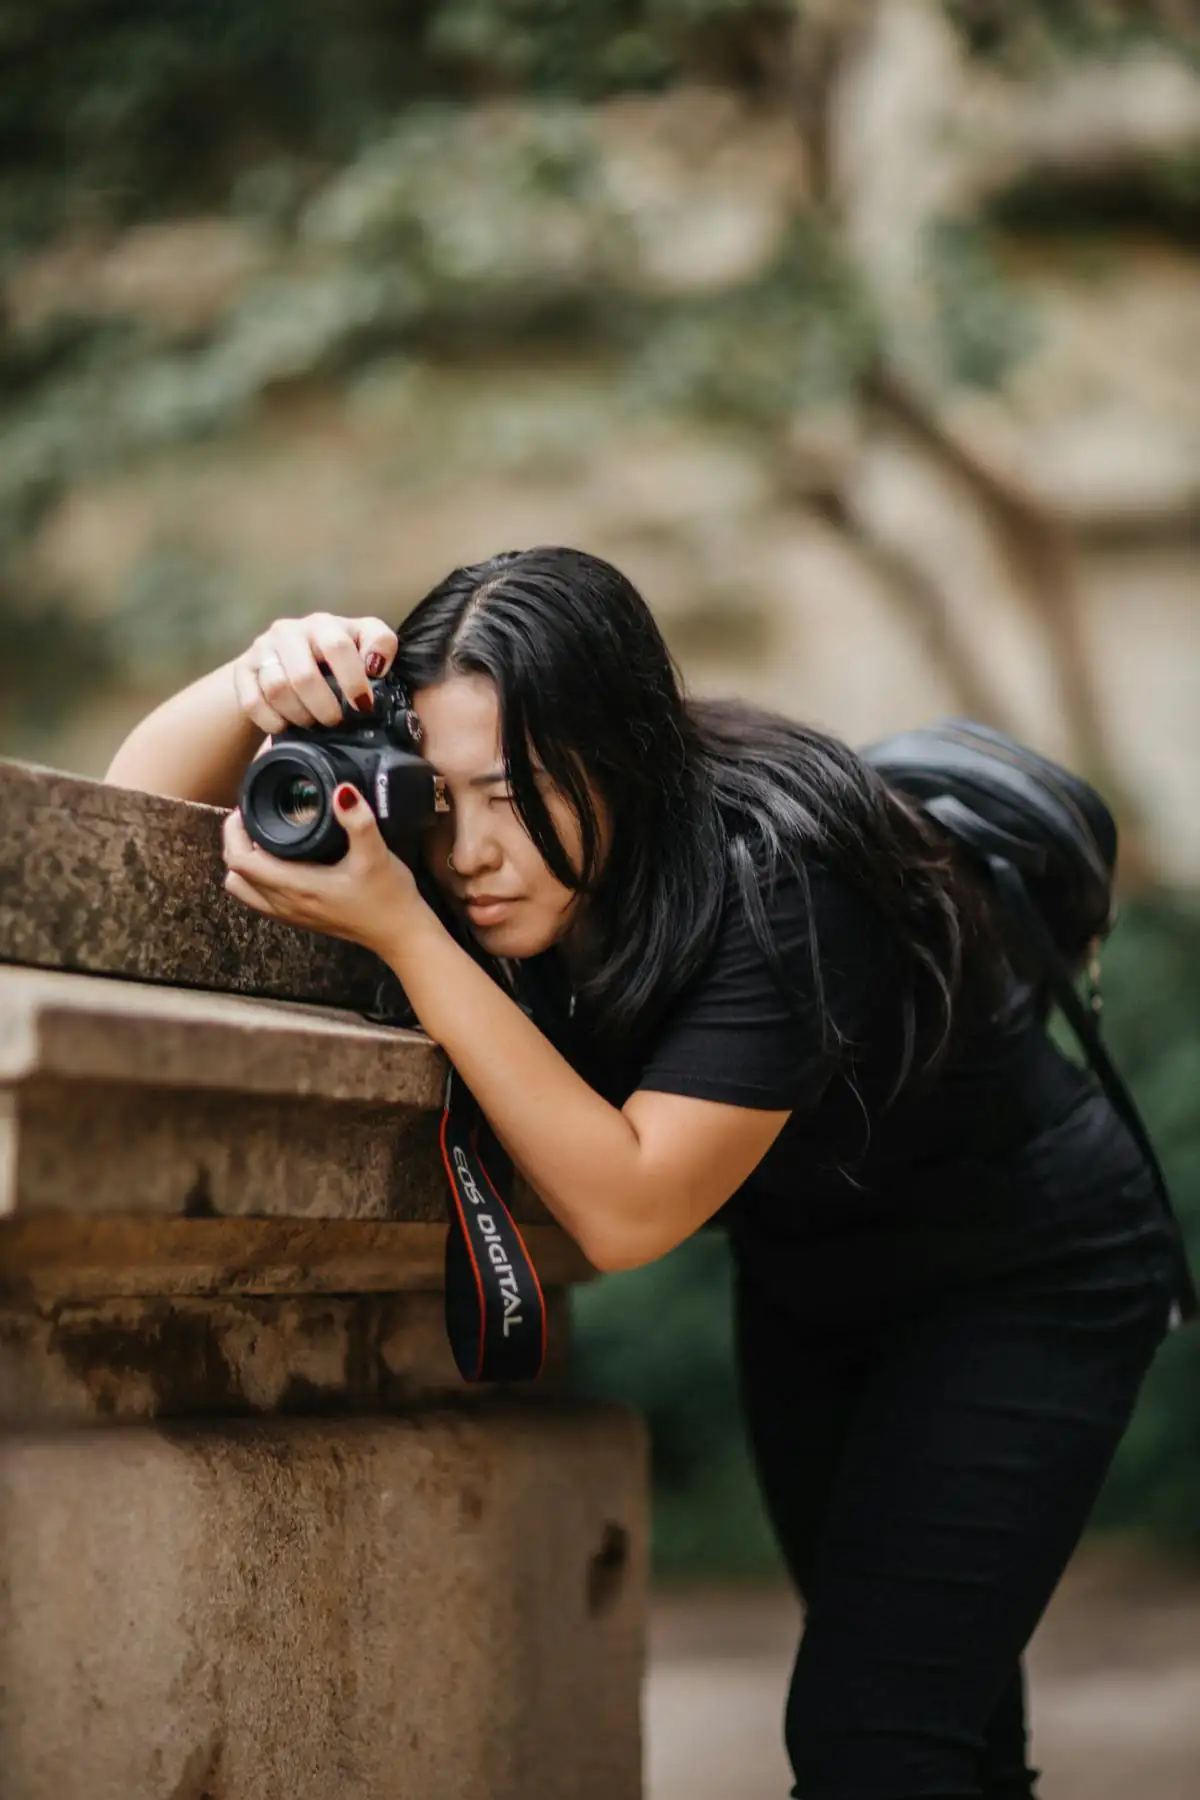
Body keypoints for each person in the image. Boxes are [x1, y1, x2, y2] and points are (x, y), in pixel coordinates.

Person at [105, 545, 1178, 1800]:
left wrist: (401, 927)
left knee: (871, 1740)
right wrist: (255, 681)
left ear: (625, 757)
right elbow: (129, 836)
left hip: (1027, 1270)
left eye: (515, 796)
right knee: (937, 1732)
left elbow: (628, 1209)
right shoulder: (452, 850)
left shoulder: (783, 877)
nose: (473, 854)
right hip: (813, 1280)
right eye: (443, 798)